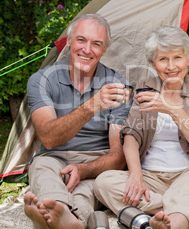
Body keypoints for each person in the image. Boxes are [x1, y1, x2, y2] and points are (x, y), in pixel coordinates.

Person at [94, 26, 189, 229]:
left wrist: (173, 110)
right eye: (163, 59)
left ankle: (170, 222)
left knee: (186, 190)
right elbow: (131, 134)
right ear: (152, 63)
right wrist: (136, 174)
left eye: (177, 57)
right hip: (152, 176)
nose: (171, 66)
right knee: (103, 182)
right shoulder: (145, 86)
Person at [23, 13, 131, 229]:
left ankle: (63, 220)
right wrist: (92, 105)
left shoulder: (117, 85)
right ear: (69, 41)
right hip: (53, 157)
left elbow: (117, 157)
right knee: (42, 168)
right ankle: (57, 209)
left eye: (96, 44)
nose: (87, 49)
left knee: (89, 189)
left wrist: (83, 170)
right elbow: (48, 138)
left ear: (104, 50)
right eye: (81, 40)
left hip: (96, 162)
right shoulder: (42, 80)